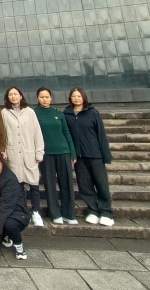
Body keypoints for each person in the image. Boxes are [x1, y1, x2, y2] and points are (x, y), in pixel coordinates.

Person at [63, 87, 114, 226]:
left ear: (84, 97)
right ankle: (92, 210)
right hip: (79, 157)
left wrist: (105, 155)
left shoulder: (92, 113)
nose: (76, 98)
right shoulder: (66, 114)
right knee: (84, 185)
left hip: (95, 154)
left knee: (101, 184)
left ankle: (106, 212)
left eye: (79, 96)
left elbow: (101, 134)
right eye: (74, 96)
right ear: (70, 98)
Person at [2, 86, 45, 227]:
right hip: (14, 154)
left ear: (21, 96)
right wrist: (3, 151)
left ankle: (36, 212)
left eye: (15, 94)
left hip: (29, 153)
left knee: (34, 185)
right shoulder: (4, 113)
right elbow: (3, 134)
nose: (13, 97)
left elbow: (37, 133)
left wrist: (39, 152)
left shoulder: (30, 112)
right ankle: (23, 211)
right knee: (18, 185)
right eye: (10, 94)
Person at [34, 87, 78, 225]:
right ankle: (55, 213)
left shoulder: (58, 113)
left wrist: (72, 152)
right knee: (50, 184)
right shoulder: (34, 113)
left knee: (67, 183)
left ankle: (69, 214)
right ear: (37, 98)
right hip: (46, 153)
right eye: (42, 97)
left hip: (63, 151)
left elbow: (66, 133)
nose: (44, 99)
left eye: (47, 97)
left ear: (51, 98)